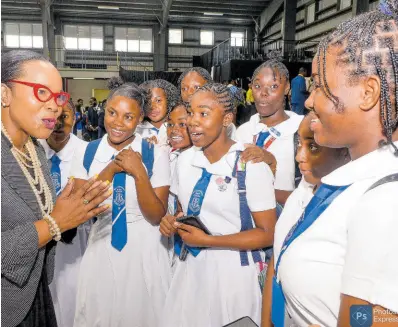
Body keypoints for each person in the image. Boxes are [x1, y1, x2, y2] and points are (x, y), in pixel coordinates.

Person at [268, 2, 398, 326]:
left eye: (321, 86)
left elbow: (367, 319)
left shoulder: (384, 199)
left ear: (368, 93)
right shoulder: (354, 178)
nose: (309, 100)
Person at [1, 49, 111, 327]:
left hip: (35, 293)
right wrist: (55, 222)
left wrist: (74, 211)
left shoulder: (33, 150)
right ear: (4, 95)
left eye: (58, 96)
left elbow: (44, 220)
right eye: (41, 93)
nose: (55, 106)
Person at [160, 83, 277, 327]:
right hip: (190, 271)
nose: (193, 121)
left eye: (204, 113)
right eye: (191, 113)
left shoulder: (249, 164)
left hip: (232, 276)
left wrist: (209, 241)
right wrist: (172, 221)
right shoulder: (184, 161)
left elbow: (268, 234)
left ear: (226, 119)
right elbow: (186, 211)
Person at [71, 82, 171, 327]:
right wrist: (112, 167)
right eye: (112, 112)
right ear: (104, 109)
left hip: (144, 247)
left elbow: (157, 215)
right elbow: (78, 206)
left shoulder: (153, 153)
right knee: (100, 313)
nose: (117, 122)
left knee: (143, 314)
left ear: (139, 120)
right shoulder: (87, 151)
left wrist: (139, 173)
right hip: (102, 242)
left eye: (128, 117)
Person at [261, 112, 350, 327]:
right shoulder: (301, 192)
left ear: (344, 151)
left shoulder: (356, 205)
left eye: (312, 147)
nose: (299, 156)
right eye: (298, 144)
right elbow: (278, 253)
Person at [38, 100, 90, 327]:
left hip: (76, 242)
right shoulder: (32, 149)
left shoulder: (86, 152)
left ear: (75, 118)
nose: (58, 124)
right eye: (53, 117)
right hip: (39, 237)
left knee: (73, 295)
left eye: (65, 117)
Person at [236, 59, 304, 205]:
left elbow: (310, 198)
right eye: (257, 86)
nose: (263, 93)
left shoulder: (302, 132)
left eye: (273, 86)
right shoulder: (242, 132)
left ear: (287, 88)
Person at [166, 101, 192, 216]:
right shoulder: (170, 157)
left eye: (182, 125)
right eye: (170, 124)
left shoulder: (201, 161)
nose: (174, 130)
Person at [137, 79, 179, 146]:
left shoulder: (178, 127)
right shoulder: (137, 130)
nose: (152, 107)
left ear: (169, 101)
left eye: (158, 101)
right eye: (148, 102)